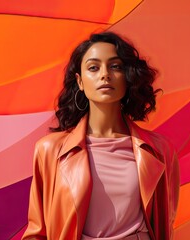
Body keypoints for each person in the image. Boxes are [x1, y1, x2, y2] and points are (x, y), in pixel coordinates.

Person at [22, 32, 180, 240]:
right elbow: (37, 232)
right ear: (80, 81)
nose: (105, 74)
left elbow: (165, 224)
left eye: (115, 67)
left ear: (128, 77)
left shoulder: (159, 150)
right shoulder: (50, 150)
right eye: (93, 68)